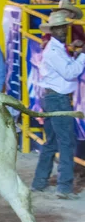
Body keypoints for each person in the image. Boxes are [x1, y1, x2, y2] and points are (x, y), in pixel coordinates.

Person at [31, 11, 85, 199]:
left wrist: (76, 53)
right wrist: (82, 55)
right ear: (53, 30)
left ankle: (39, 182)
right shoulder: (54, 51)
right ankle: (64, 187)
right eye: (59, 28)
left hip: (53, 98)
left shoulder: (56, 49)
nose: (62, 30)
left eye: (63, 27)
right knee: (66, 142)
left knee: (52, 142)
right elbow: (70, 73)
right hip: (58, 99)